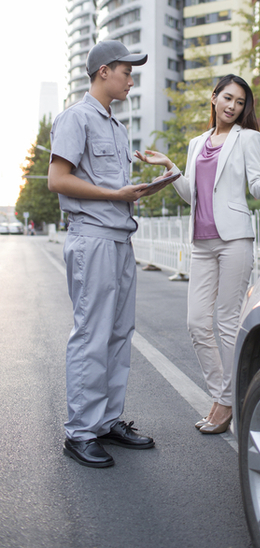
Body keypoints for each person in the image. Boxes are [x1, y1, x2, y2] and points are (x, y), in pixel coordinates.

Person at [135, 74, 260, 434]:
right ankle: (224, 396)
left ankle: (225, 403)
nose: (233, 106)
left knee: (228, 323)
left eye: (240, 102)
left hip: (234, 240)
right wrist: (171, 168)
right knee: (197, 322)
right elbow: (191, 193)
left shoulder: (248, 138)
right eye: (227, 98)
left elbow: (258, 188)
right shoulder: (197, 142)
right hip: (201, 242)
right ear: (214, 98)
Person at [48, 40, 177, 468]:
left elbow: (115, 192)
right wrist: (112, 193)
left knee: (121, 332)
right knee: (92, 333)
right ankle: (80, 432)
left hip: (121, 239)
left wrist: (152, 183)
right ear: (103, 71)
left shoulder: (118, 128)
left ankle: (106, 421)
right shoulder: (76, 118)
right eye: (126, 70)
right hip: (93, 239)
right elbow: (57, 180)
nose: (130, 78)